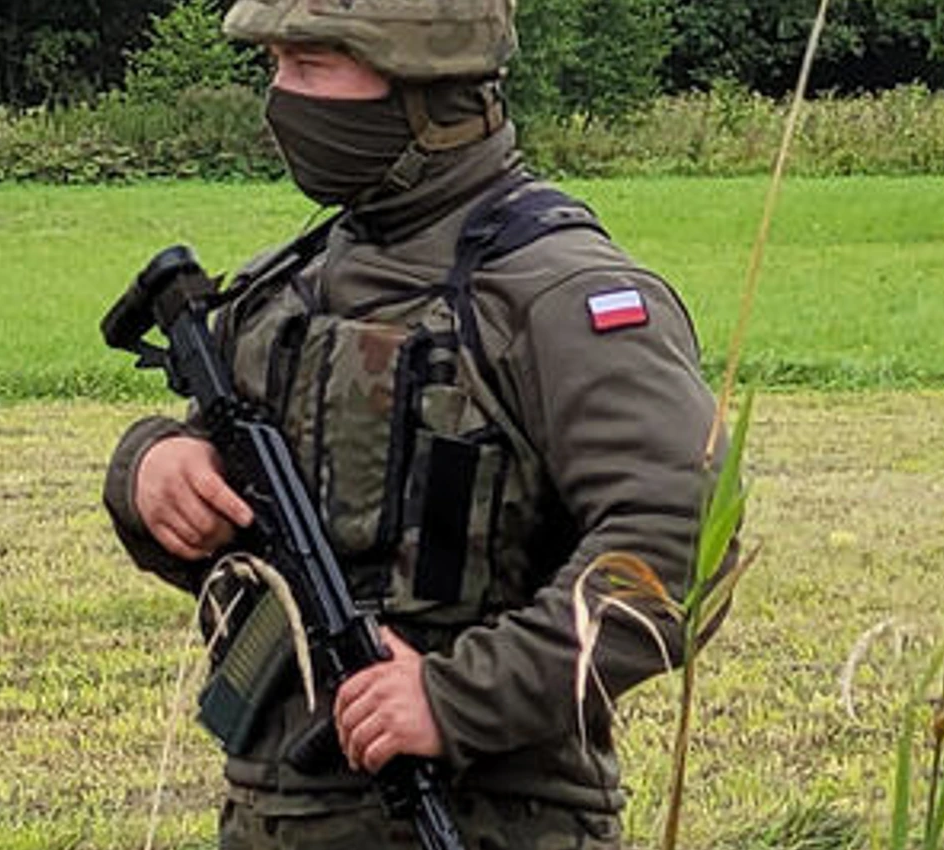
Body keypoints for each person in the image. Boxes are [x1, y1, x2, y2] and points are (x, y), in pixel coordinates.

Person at [99, 1, 724, 847]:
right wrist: (154, 470)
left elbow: (679, 546)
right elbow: (247, 534)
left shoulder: (558, 296)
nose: (283, 99)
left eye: (313, 65)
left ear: (428, 85)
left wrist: (455, 696)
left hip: (488, 820)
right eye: (276, 66)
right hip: (273, 815)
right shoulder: (286, 288)